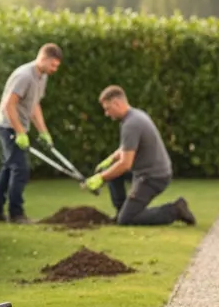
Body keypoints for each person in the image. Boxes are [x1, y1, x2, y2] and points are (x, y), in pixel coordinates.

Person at [82, 86, 196, 226]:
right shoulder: (133, 116)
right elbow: (125, 149)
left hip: (154, 177)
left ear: (117, 103)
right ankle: (122, 210)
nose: (106, 113)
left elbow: (125, 164)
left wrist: (101, 178)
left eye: (107, 108)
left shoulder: (132, 124)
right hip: (147, 170)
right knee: (113, 172)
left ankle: (175, 210)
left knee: (127, 220)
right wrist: (109, 161)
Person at [0, 43, 62, 223]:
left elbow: (34, 105)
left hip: (18, 126)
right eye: (53, 65)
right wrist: (20, 132)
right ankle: (16, 214)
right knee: (20, 169)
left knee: (9, 168)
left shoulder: (42, 77)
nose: (55, 69)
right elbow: (9, 105)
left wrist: (43, 132)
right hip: (7, 125)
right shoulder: (24, 76)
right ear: (44, 58)